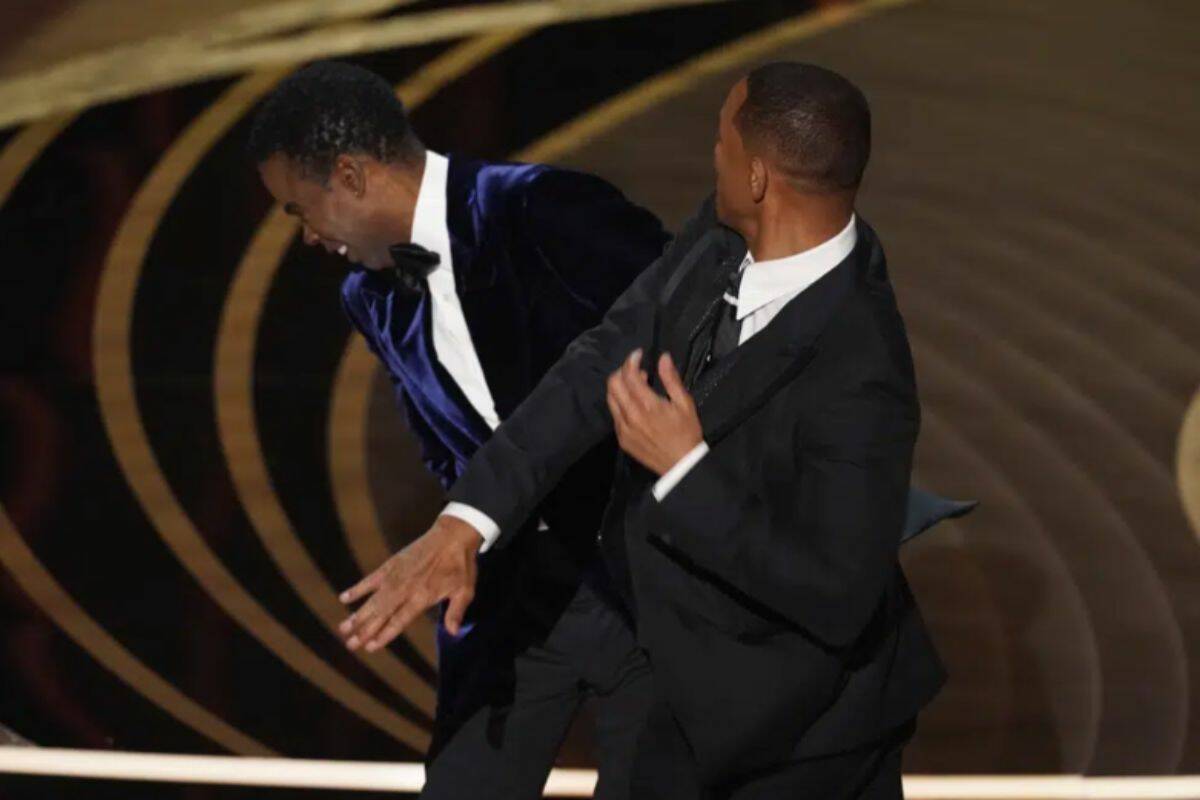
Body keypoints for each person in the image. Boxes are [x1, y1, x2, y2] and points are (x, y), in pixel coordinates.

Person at [338, 63, 963, 799]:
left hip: (802, 740)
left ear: (759, 178)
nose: (712, 156)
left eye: (722, 142)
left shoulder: (864, 369)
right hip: (676, 694)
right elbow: (598, 361)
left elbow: (834, 592)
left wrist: (685, 469)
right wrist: (468, 522)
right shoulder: (722, 235)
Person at [248, 61, 670, 800]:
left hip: (648, 582)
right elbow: (444, 445)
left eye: (297, 209)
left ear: (348, 175)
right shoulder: (368, 297)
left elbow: (693, 345)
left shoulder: (544, 207)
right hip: (512, 599)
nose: (307, 236)